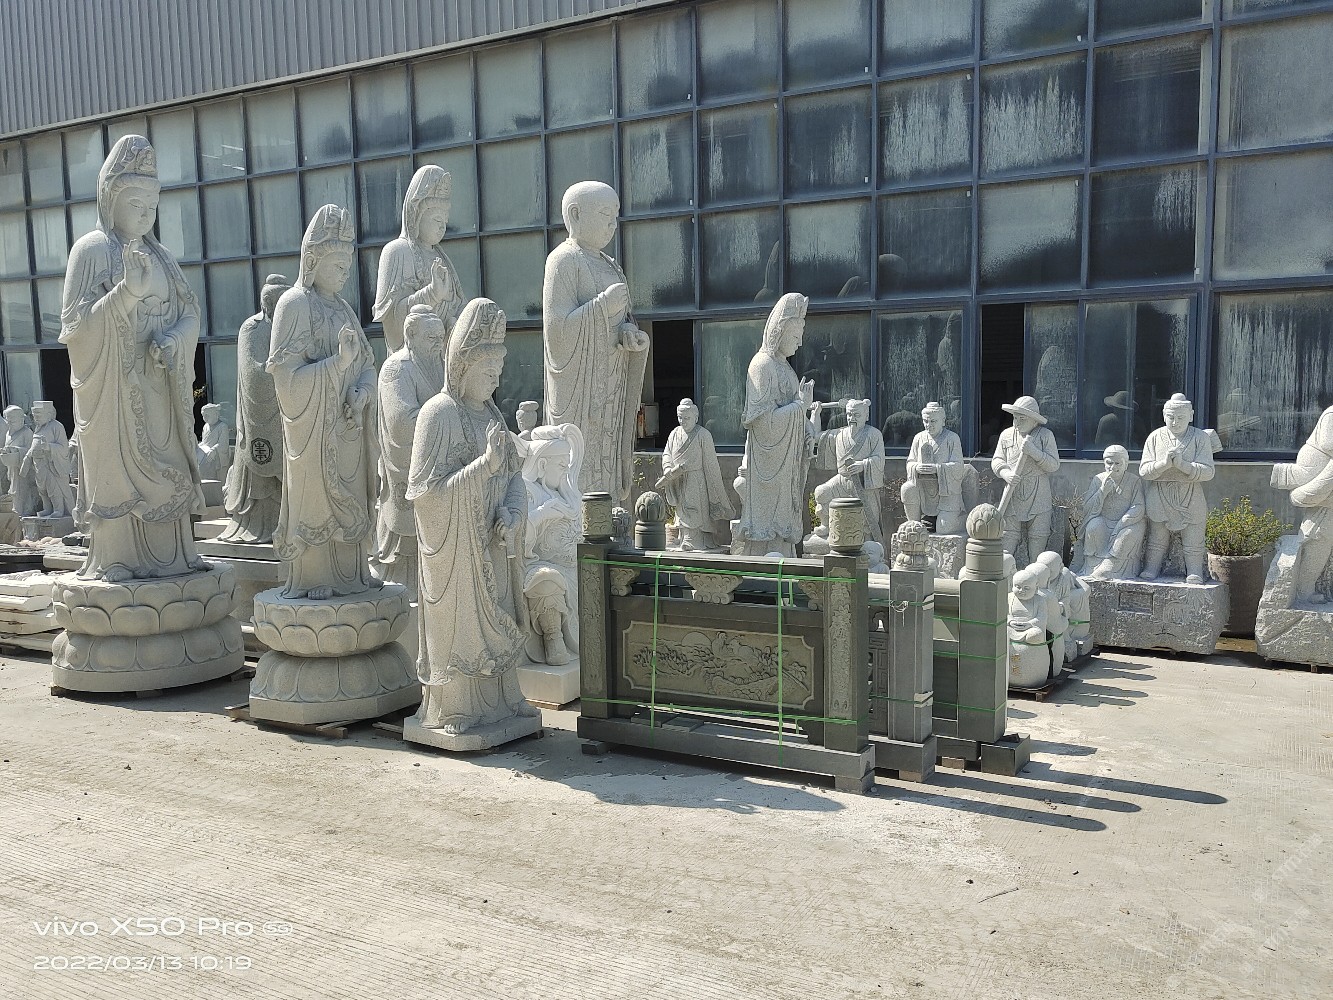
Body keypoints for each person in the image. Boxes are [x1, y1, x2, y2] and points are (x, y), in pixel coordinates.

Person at [60, 135, 208, 582]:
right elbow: (77, 330)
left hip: (159, 385)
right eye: (136, 204)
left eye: (152, 206)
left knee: (171, 465)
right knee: (120, 473)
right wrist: (126, 294)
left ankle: (176, 555)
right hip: (115, 395)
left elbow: (190, 312)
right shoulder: (92, 251)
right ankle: (117, 558)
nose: (145, 215)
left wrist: (174, 340)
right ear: (111, 200)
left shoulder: (163, 257)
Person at [407, 297, 540, 735]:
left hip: (492, 544)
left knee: (501, 619)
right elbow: (425, 496)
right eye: (487, 371)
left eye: (498, 372)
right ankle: (456, 706)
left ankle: (506, 698)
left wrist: (512, 513)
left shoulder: (492, 414)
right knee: (464, 629)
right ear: (463, 366)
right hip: (456, 555)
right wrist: (481, 468)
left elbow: (514, 477)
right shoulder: (438, 414)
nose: (494, 381)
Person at [267, 205, 378, 600]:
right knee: (317, 505)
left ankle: (352, 575)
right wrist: (336, 365)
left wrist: (362, 391)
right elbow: (286, 382)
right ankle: (313, 578)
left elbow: (367, 364)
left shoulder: (343, 308)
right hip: (312, 434)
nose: (345, 273)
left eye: (347, 264)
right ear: (313, 261)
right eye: (337, 264)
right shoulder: (294, 305)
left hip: (347, 430)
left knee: (351, 503)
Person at [542, 180, 650, 502]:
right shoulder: (563, 260)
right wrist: (602, 306)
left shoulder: (611, 266)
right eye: (605, 214)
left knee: (607, 459)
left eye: (615, 216)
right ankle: (577, 520)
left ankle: (610, 513)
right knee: (581, 464)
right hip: (581, 388)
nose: (612, 224)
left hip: (611, 383)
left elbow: (623, 321)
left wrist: (629, 334)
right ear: (575, 215)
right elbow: (557, 332)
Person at [370, 304, 448, 593]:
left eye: (440, 337)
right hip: (406, 463)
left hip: (440, 465)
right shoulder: (396, 369)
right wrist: (446, 419)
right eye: (431, 337)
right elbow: (401, 423)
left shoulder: (440, 366)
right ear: (410, 335)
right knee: (405, 545)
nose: (438, 344)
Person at [734, 293, 813, 558]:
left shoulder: (786, 368)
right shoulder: (762, 365)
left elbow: (794, 412)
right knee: (767, 525)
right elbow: (764, 425)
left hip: (785, 464)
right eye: (796, 336)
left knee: (783, 525)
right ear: (781, 329)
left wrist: (807, 427)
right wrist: (799, 407)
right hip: (767, 463)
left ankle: (783, 553)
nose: (799, 343)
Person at [219, 274, 291, 544]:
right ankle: (259, 524)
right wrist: (281, 368)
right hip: (259, 414)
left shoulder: (290, 328)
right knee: (260, 470)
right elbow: (253, 374)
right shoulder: (252, 328)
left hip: (286, 411)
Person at [372, 165, 465, 354]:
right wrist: (432, 294)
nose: (442, 227)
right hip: (410, 361)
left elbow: (458, 306)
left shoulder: (442, 257)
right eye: (437, 220)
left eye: (445, 222)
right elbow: (392, 322)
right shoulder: (397, 252)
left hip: (443, 356)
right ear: (416, 215)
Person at [520, 424, 584, 666]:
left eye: (567, 465)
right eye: (561, 465)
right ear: (542, 464)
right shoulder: (527, 493)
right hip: (539, 564)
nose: (566, 470)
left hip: (575, 566)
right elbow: (516, 536)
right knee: (546, 580)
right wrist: (542, 515)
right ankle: (553, 638)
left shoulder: (567, 493)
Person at [1139, 393, 1215, 585]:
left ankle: (1195, 571)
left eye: (1181, 417)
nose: (1175, 422)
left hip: (1190, 494)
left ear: (1191, 415)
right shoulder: (1155, 437)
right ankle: (1151, 568)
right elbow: (1144, 471)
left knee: (1193, 537)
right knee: (1157, 537)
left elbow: (1208, 472)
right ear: (1164, 416)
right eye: (1171, 417)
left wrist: (1183, 466)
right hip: (1160, 493)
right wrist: (1164, 464)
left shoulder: (1200, 438)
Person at [1271, 405, 1333, 604]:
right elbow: (1328, 443)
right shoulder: (1332, 413)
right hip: (1315, 465)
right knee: (1318, 539)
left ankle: (1308, 589)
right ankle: (1304, 589)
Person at [990, 395, 1061, 564]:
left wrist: (1034, 452)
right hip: (1012, 490)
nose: (1017, 422)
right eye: (1015, 418)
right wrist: (1005, 472)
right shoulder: (1006, 435)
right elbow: (997, 459)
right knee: (1008, 533)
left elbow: (1054, 465)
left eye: (1022, 419)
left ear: (1034, 420)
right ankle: (1004, 568)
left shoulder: (1045, 435)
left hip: (1038, 491)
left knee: (1038, 534)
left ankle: (1037, 570)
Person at [657, 398, 733, 552]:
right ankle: (683, 537)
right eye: (680, 418)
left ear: (696, 418)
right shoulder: (674, 433)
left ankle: (695, 540)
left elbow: (711, 463)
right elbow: (667, 454)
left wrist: (714, 485)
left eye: (687, 418)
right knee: (681, 510)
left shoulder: (703, 435)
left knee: (695, 509)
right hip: (677, 478)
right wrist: (667, 468)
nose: (683, 421)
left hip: (696, 479)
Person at [810, 398, 887, 546]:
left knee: (869, 518)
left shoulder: (874, 434)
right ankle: (826, 525)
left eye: (857, 415)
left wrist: (862, 464)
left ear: (866, 416)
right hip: (842, 479)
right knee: (821, 492)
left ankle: (867, 538)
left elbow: (879, 458)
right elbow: (815, 437)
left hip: (863, 482)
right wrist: (816, 413)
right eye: (849, 414)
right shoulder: (839, 433)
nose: (852, 418)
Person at [1076, 445, 1146, 580]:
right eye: (1109, 463)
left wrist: (1124, 521)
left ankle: (1111, 566)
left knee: (1128, 534)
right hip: (1104, 520)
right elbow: (1087, 508)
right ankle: (1092, 567)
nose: (1113, 467)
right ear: (1104, 463)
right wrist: (1102, 492)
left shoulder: (1133, 481)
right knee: (1093, 526)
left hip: (1126, 523)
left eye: (1118, 463)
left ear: (1126, 464)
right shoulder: (1098, 479)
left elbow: (1139, 506)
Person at [902, 401, 967, 535]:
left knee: (944, 528)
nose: (929, 425)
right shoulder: (919, 438)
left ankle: (965, 519)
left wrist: (937, 469)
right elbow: (910, 462)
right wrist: (916, 467)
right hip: (923, 488)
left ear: (943, 421)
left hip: (946, 493)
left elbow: (958, 466)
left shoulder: (952, 438)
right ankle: (915, 526)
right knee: (907, 488)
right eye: (926, 421)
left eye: (933, 421)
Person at [23, 401, 77, 519]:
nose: (36, 418)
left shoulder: (57, 427)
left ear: (48, 414)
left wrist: (49, 447)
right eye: (35, 416)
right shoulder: (38, 427)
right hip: (38, 463)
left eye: (39, 415)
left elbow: (64, 447)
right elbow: (33, 445)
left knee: (53, 488)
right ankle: (47, 508)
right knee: (42, 489)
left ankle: (59, 509)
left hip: (51, 463)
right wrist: (27, 457)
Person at [0, 405, 36, 516]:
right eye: (8, 420)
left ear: (20, 419)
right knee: (13, 488)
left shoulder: (27, 432)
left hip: (24, 468)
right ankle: (17, 508)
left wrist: (16, 450)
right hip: (12, 466)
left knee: (22, 489)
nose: (10, 423)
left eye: (13, 420)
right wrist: (6, 451)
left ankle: (25, 509)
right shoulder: (8, 434)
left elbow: (31, 450)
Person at [195, 402, 232, 483]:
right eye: (203, 416)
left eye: (207, 415)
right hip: (205, 455)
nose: (205, 418)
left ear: (215, 414)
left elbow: (223, 443)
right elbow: (205, 442)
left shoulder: (223, 426)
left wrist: (214, 450)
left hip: (218, 456)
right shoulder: (205, 426)